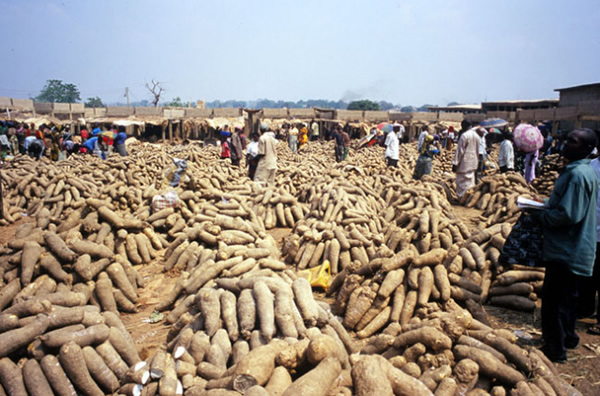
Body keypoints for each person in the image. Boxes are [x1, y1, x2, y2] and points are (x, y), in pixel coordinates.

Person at [529, 128, 598, 363]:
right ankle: (569, 338)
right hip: (575, 247)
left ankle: (555, 349)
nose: (566, 143)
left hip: (567, 248)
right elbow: (570, 204)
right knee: (568, 300)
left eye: (573, 141)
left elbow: (568, 214)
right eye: (567, 139)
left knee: (554, 301)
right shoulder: (584, 171)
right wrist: (546, 202)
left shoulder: (577, 175)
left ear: (587, 149)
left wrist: (541, 216)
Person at [452, 122, 483, 199]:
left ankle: (461, 198)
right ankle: (469, 197)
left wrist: (455, 163)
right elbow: (479, 151)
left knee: (461, 181)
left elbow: (460, 151)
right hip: (473, 162)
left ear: (464, 126)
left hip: (464, 163)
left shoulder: (464, 135)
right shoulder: (477, 136)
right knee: (470, 181)